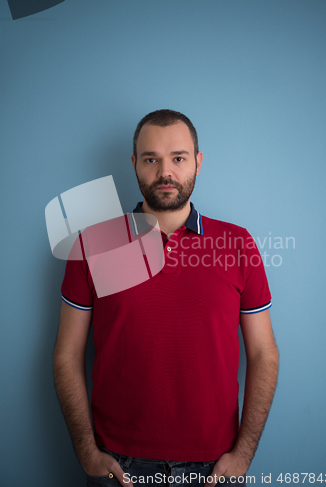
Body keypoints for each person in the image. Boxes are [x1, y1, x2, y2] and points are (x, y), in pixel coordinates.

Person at [53, 109, 279, 487]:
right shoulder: (93, 244)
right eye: (151, 159)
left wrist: (243, 454)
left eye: (178, 158)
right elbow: (66, 355)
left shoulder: (237, 244)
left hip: (213, 466)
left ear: (198, 162)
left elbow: (264, 354)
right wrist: (86, 450)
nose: (165, 172)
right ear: (135, 165)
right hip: (119, 465)